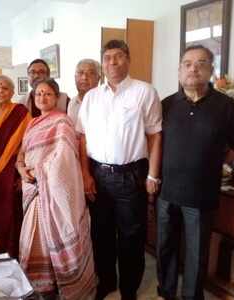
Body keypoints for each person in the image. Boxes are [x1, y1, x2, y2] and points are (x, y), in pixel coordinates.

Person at [76, 39, 162, 300]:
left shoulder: (144, 92)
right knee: (100, 234)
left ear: (128, 59)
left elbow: (155, 136)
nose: (112, 62)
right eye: (107, 57)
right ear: (102, 63)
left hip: (131, 176)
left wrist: (152, 175)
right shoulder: (91, 97)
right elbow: (82, 138)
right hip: (98, 175)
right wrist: (85, 174)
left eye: (118, 56)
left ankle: (129, 288)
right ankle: (107, 282)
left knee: (131, 236)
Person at [156, 45, 234, 300]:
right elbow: (156, 144)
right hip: (166, 192)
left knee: (196, 254)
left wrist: (213, 162)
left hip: (201, 195)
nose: (194, 68)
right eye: (187, 63)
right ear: (180, 69)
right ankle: (166, 292)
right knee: (165, 249)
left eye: (201, 63)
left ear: (211, 70)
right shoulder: (167, 104)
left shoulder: (227, 106)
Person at [17, 78, 97, 300]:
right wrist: (21, 169)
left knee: (55, 232)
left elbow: (63, 157)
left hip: (51, 188)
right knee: (34, 237)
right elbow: (22, 154)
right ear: (34, 98)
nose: (43, 97)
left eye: (48, 94)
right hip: (32, 188)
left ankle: (64, 283)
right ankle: (41, 285)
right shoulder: (32, 123)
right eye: (39, 94)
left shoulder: (63, 122)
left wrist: (41, 172)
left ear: (57, 97)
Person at [0, 75, 31, 257]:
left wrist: (21, 170)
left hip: (13, 171)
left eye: (5, 88)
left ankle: (14, 254)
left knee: (12, 211)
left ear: (12, 92)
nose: (1, 91)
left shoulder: (20, 112)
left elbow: (28, 142)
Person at [68, 59, 101, 124]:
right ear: (75, 77)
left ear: (98, 78)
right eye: (81, 73)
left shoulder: (104, 101)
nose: (84, 77)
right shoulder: (72, 103)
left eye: (91, 73)